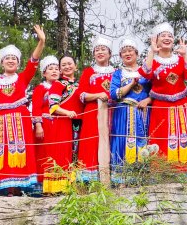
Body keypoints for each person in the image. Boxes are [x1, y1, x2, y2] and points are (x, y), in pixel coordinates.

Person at [0, 25, 46, 194]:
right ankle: (5, 189)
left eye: (14, 59)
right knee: (1, 152)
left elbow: (33, 61)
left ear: (18, 63)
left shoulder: (23, 78)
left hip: (20, 121)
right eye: (7, 58)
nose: (10, 61)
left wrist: (41, 41)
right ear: (1, 62)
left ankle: (20, 188)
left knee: (22, 151)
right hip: (0, 122)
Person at [140, 23, 187, 165]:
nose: (167, 38)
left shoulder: (179, 59)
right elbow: (146, 73)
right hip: (160, 107)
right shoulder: (152, 60)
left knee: (184, 135)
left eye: (170, 36)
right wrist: (152, 51)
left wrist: (185, 55)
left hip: (183, 104)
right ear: (156, 40)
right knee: (161, 137)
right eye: (163, 36)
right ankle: (162, 170)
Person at [109, 38, 151, 182]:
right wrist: (131, 84)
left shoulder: (145, 72)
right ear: (120, 55)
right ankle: (122, 179)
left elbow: (156, 91)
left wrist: (148, 100)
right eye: (124, 52)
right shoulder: (118, 74)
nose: (127, 54)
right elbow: (113, 94)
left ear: (136, 53)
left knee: (143, 141)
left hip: (143, 112)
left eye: (130, 51)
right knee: (123, 141)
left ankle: (143, 177)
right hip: (124, 113)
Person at [75, 36, 115, 181]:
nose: (100, 52)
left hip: (112, 112)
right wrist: (98, 95)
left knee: (112, 140)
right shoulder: (88, 72)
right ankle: (90, 178)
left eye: (103, 49)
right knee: (91, 142)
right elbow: (81, 94)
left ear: (109, 53)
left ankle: (111, 176)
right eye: (97, 50)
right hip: (92, 113)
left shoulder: (116, 72)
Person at [42, 55, 80, 193]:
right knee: (62, 154)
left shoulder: (79, 85)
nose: (67, 67)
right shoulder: (58, 84)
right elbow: (53, 106)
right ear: (60, 69)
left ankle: (74, 185)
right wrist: (67, 112)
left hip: (77, 123)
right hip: (62, 123)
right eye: (63, 65)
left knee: (75, 153)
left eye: (70, 64)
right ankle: (58, 188)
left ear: (76, 66)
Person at [31, 56, 60, 187]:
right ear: (44, 73)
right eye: (51, 69)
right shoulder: (40, 88)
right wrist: (38, 125)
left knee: (57, 152)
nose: (54, 71)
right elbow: (36, 108)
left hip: (59, 125)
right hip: (45, 125)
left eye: (56, 69)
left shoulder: (63, 87)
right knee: (44, 153)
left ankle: (56, 184)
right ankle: (42, 184)